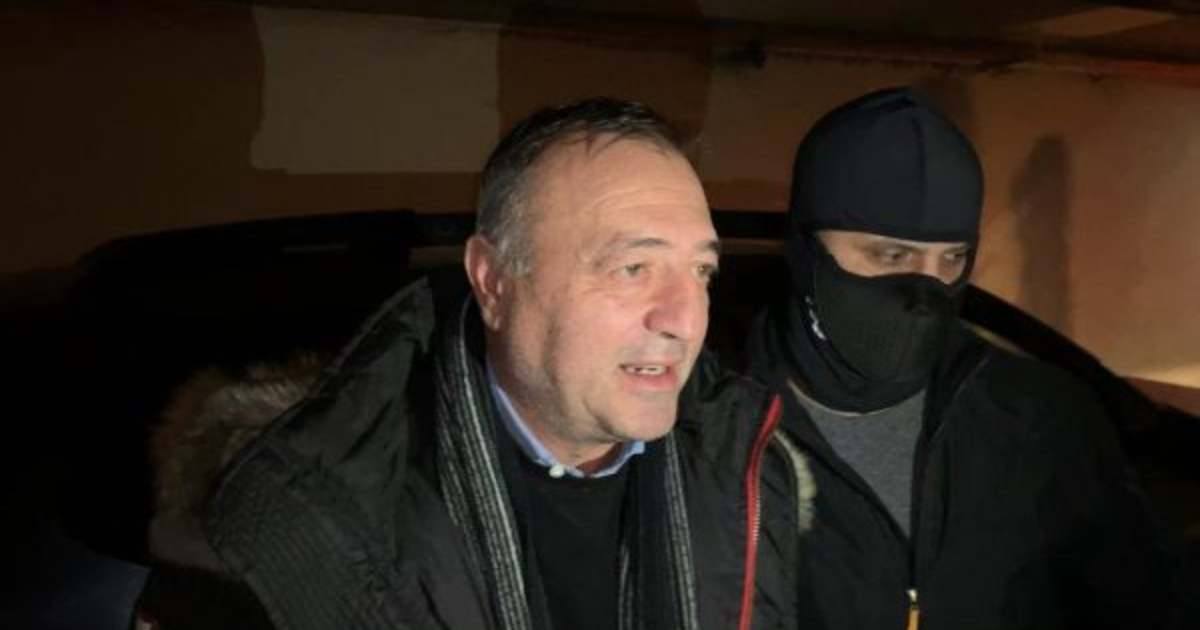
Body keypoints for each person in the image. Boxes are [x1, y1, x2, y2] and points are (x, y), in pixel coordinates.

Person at [200, 98, 811, 630]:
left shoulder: (750, 474)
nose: (684, 319)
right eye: (633, 269)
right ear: (493, 281)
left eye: (702, 271)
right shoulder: (315, 515)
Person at [747, 87, 1179, 630]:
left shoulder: (1040, 419)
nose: (925, 292)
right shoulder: (715, 426)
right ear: (806, 247)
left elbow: (1143, 606)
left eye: (952, 259)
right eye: (891, 255)